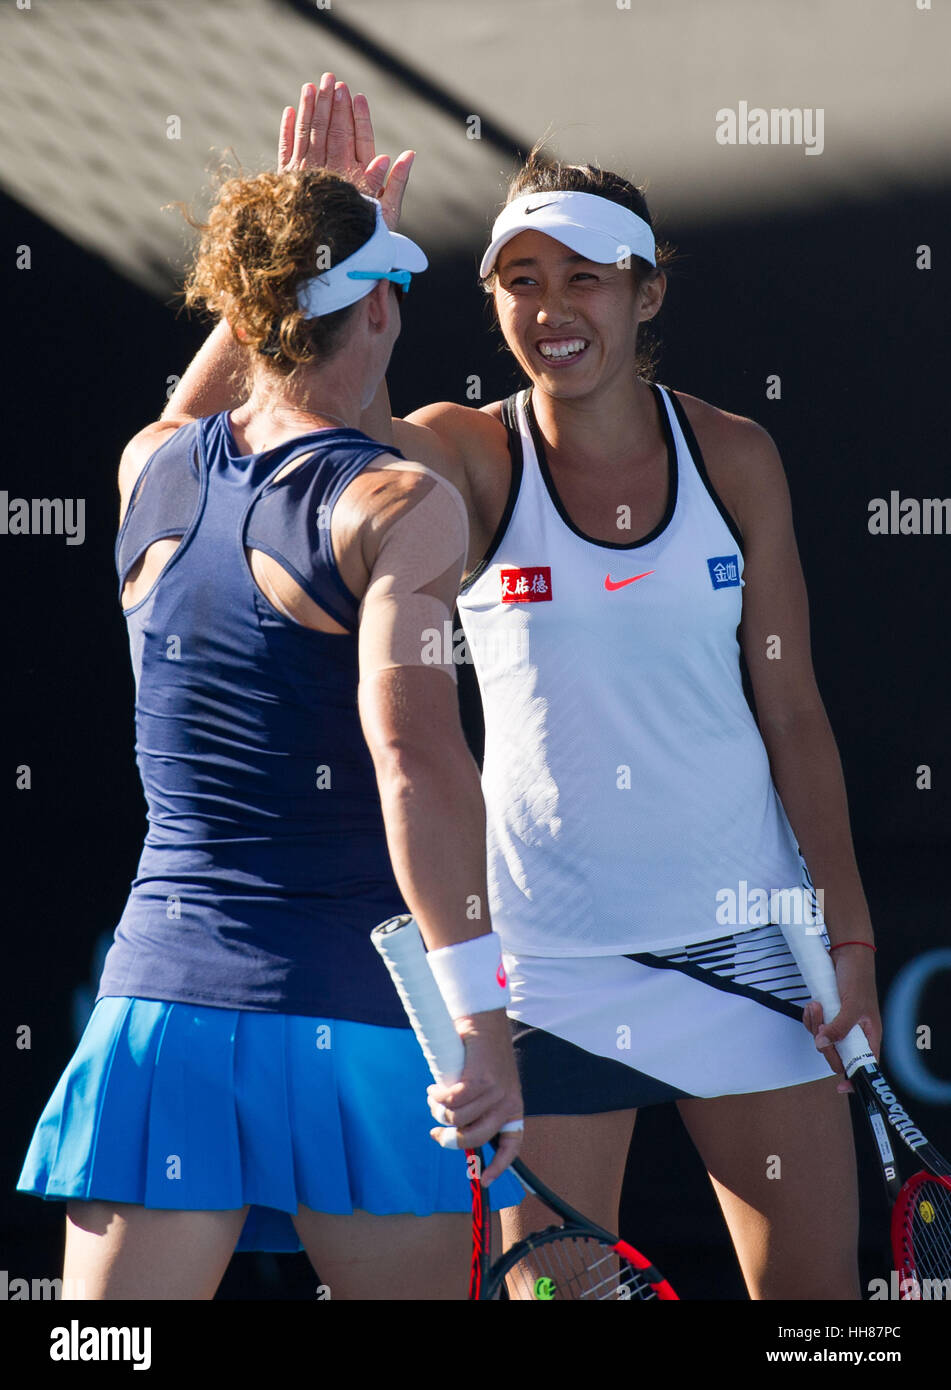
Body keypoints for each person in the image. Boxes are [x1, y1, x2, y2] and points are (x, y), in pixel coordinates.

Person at [177, 76, 882, 1300]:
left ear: (648, 290)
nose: (550, 311)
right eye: (520, 281)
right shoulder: (456, 448)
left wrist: (851, 935)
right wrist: (304, 252)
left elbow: (795, 712)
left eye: (584, 279)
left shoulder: (737, 456)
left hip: (754, 948)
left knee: (818, 1319)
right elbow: (274, 421)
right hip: (546, 974)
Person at [16, 139, 524, 1300]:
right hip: (361, 1019)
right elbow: (414, 765)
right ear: (384, 312)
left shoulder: (148, 468)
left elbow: (201, 404)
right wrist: (482, 1020)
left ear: (246, 312)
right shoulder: (405, 502)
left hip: (161, 1016)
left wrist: (292, 254)